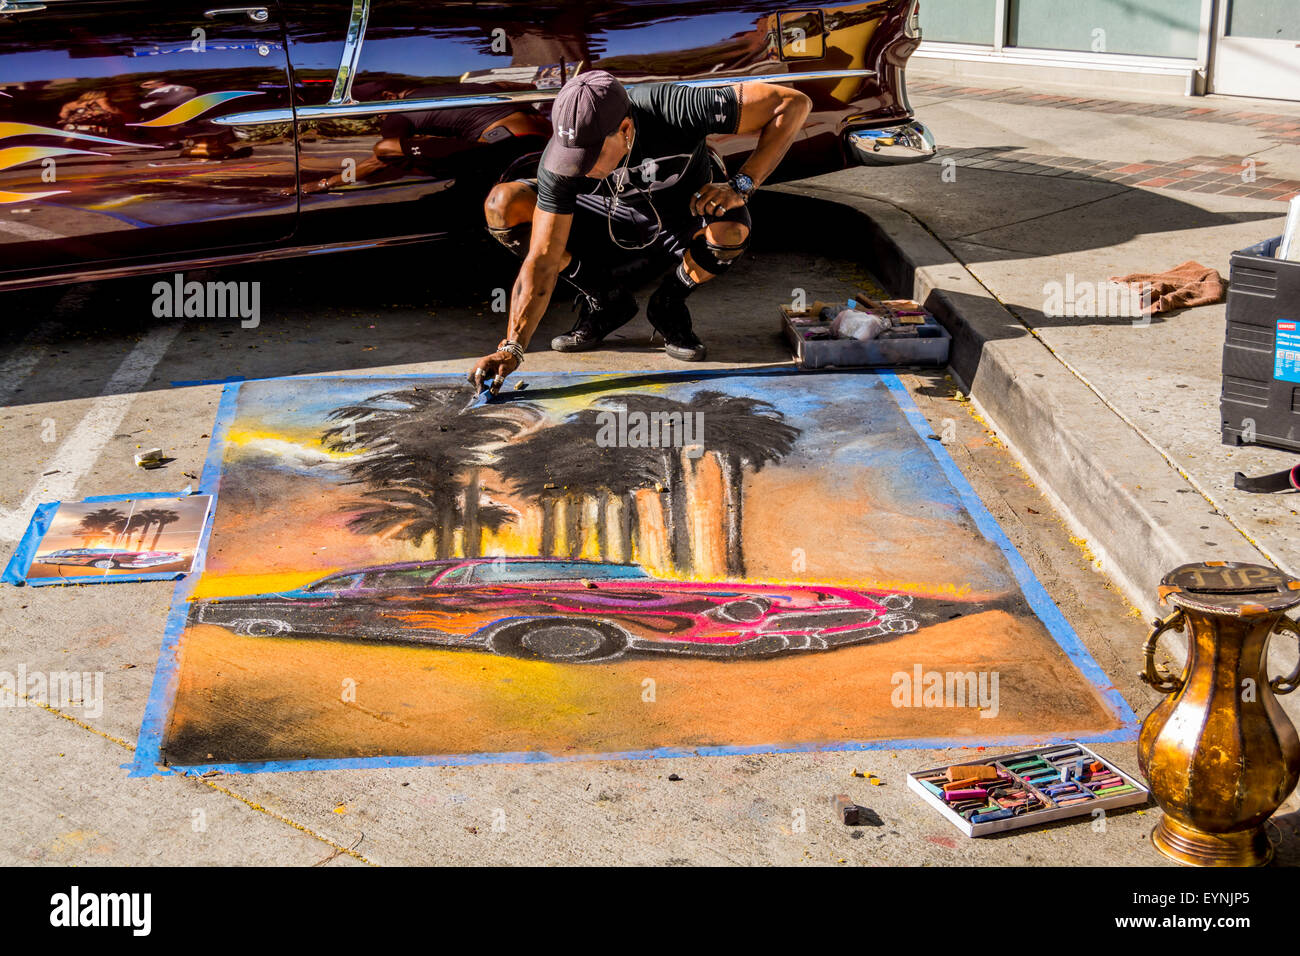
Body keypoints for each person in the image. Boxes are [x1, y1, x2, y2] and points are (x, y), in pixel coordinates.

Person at [468, 70, 811, 395]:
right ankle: (605, 300)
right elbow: (542, 258)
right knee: (504, 203)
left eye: (590, 155)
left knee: (731, 231)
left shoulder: (672, 107)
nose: (579, 168)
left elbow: (792, 103)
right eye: (572, 157)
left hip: (680, 216)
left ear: (626, 129)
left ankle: (669, 303)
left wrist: (742, 183)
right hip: (605, 222)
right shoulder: (559, 163)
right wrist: (512, 347)